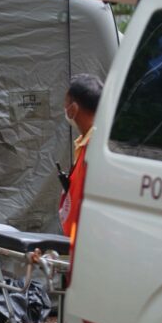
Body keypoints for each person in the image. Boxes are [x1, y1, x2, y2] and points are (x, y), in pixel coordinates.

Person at [59, 73, 103, 237]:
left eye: (66, 102)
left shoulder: (96, 148)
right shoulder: (85, 144)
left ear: (74, 109)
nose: (64, 107)